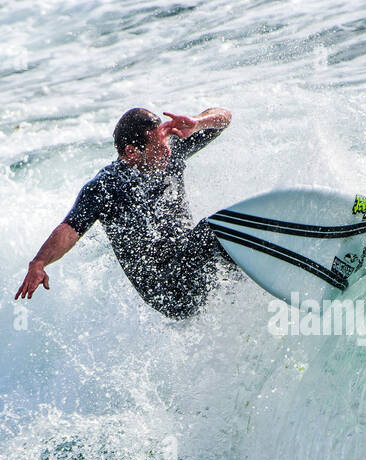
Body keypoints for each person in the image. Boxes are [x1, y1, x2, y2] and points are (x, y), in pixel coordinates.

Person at [14, 107, 239, 319]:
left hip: (192, 265)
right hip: (168, 292)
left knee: (215, 235)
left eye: (167, 142)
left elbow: (224, 118)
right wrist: (39, 262)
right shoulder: (105, 187)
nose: (168, 151)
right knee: (213, 228)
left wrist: (198, 123)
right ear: (131, 152)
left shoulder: (168, 153)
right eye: (159, 147)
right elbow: (69, 229)